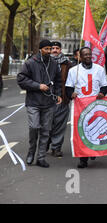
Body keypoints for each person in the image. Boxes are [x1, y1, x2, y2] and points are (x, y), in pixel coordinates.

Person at [17, 40, 62, 168]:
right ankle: (31, 152)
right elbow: (21, 79)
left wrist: (58, 94)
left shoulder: (54, 63)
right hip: (33, 102)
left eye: (50, 49)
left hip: (49, 103)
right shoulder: (30, 62)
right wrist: (38, 86)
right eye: (46, 49)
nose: (49, 51)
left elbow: (58, 80)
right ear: (40, 49)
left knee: (45, 131)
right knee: (34, 127)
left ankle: (41, 157)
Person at [65, 47, 107, 168]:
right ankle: (83, 159)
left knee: (95, 129)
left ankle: (92, 150)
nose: (88, 57)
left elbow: (104, 86)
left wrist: (102, 93)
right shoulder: (74, 70)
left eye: (90, 54)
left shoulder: (99, 69)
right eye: (85, 55)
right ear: (80, 56)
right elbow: (68, 88)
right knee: (82, 131)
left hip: (95, 105)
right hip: (80, 106)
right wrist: (71, 94)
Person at [48, 41, 72, 157]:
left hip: (62, 98)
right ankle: (46, 142)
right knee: (46, 124)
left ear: (60, 50)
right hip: (46, 100)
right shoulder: (43, 62)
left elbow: (73, 80)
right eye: (52, 48)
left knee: (60, 125)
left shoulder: (67, 64)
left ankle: (56, 147)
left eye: (57, 48)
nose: (55, 50)